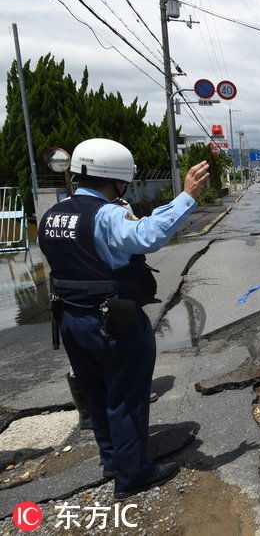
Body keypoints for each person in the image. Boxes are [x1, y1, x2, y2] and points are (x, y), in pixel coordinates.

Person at [39, 138, 210, 500]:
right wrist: (186, 197)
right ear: (117, 180)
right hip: (113, 320)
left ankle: (113, 461)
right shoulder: (107, 215)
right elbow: (147, 236)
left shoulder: (53, 215)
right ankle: (133, 475)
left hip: (71, 319)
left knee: (97, 395)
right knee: (126, 396)